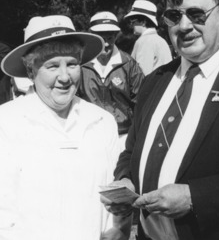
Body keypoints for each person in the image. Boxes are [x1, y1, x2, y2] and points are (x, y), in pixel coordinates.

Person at [102, 0, 219, 240]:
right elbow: (131, 151)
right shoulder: (155, 81)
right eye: (174, 15)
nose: (184, 26)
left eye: (197, 14)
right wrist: (126, 178)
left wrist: (194, 197)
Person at [0, 15, 132, 240]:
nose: (64, 77)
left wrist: (118, 229)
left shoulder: (101, 121)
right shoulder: (7, 121)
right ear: (31, 71)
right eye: (52, 66)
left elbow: (115, 198)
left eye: (72, 64)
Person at [78, 11, 144, 151]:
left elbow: (142, 102)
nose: (106, 44)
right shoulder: (81, 65)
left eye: (110, 38)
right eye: (101, 39)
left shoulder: (129, 65)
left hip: (122, 137)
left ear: (116, 36)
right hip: (89, 137)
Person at [124, 0, 173, 75]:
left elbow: (141, 75)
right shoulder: (160, 40)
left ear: (143, 22)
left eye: (133, 22)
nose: (131, 25)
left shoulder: (144, 41)